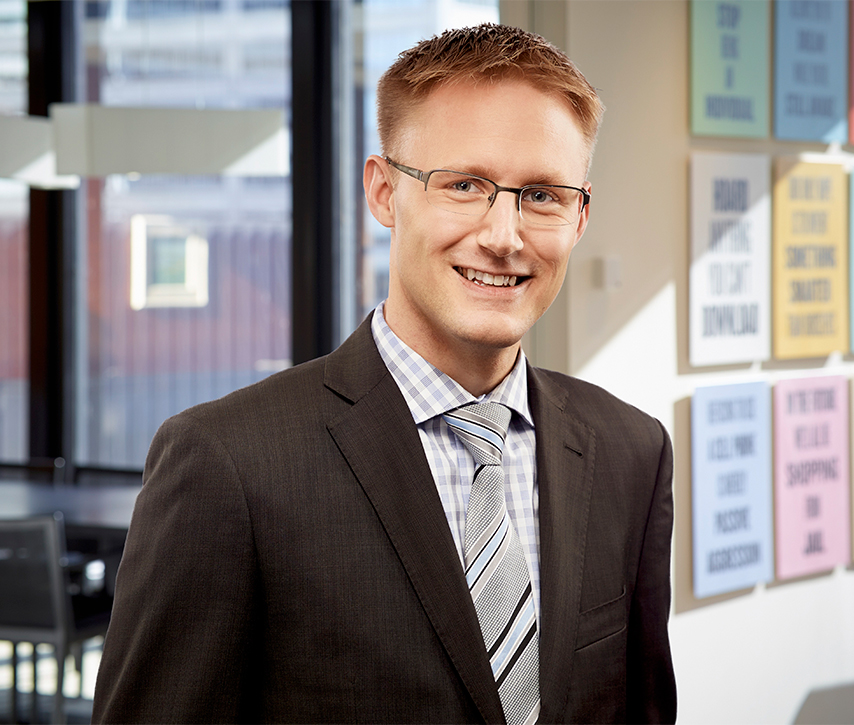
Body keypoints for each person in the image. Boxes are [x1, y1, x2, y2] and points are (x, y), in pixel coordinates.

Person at [92, 23, 676, 724]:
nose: (504, 235)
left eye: (543, 195)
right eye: (465, 185)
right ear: (383, 192)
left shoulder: (632, 452)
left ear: (580, 217)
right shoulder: (227, 464)